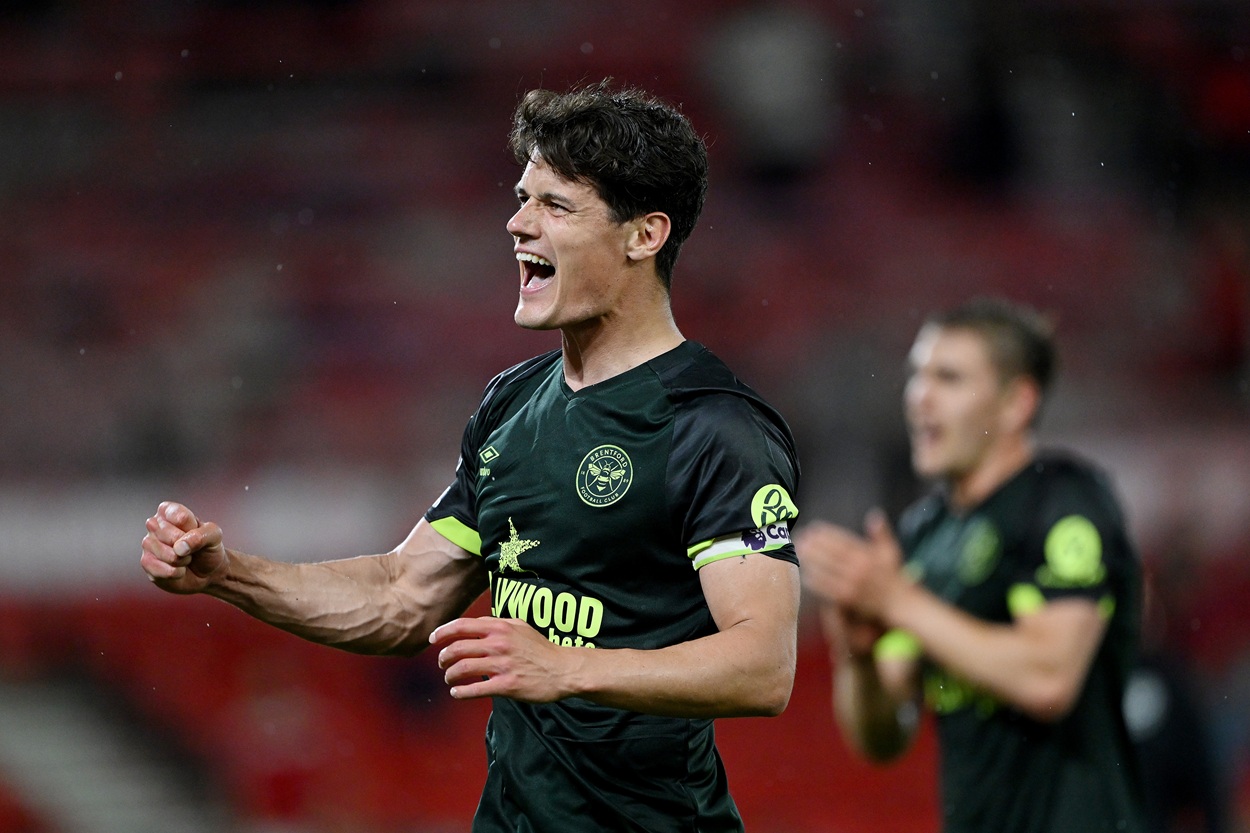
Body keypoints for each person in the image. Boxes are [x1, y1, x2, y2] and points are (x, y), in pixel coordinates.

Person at [140, 79, 802, 832]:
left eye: (556, 205)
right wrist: (228, 574)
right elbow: (402, 596)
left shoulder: (713, 426)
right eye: (522, 199)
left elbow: (763, 665)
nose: (517, 223)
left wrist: (568, 666)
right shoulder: (511, 404)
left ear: (644, 235)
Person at [795, 297, 1146, 833]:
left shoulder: (1062, 502)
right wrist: (858, 656)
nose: (920, 397)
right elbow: (882, 739)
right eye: (917, 376)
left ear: (1016, 404)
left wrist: (897, 601)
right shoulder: (925, 533)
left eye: (949, 378)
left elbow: (1049, 679)